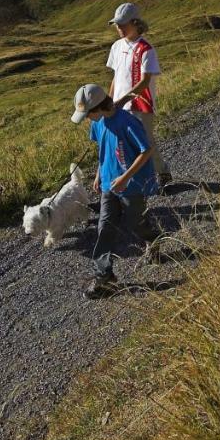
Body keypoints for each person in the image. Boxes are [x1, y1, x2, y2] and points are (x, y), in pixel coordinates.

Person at [70, 83, 161, 299]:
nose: (86, 119)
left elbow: (146, 150)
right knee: (105, 227)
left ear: (98, 108)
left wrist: (125, 177)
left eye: (87, 114)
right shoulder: (98, 123)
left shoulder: (127, 122)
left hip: (132, 184)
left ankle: (154, 238)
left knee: (134, 223)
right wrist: (101, 173)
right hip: (108, 185)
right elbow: (103, 147)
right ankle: (104, 276)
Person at [105, 2, 171, 185]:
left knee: (146, 142)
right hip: (119, 104)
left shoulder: (146, 50)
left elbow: (144, 82)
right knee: (123, 142)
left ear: (135, 22)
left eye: (122, 24)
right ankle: (132, 178)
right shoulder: (116, 47)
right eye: (117, 24)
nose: (119, 27)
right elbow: (116, 77)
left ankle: (162, 171)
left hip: (141, 105)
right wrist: (110, 100)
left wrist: (122, 100)